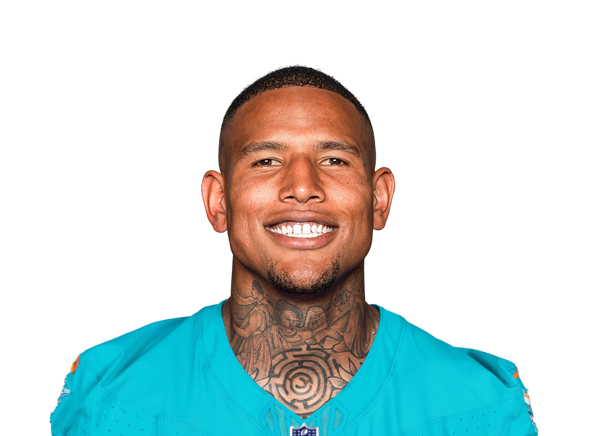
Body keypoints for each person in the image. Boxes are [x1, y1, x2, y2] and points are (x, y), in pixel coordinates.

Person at [49, 64, 539, 435]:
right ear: (218, 201)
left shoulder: (482, 406)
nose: (302, 187)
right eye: (266, 160)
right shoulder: (108, 394)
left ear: (379, 199)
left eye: (334, 160)